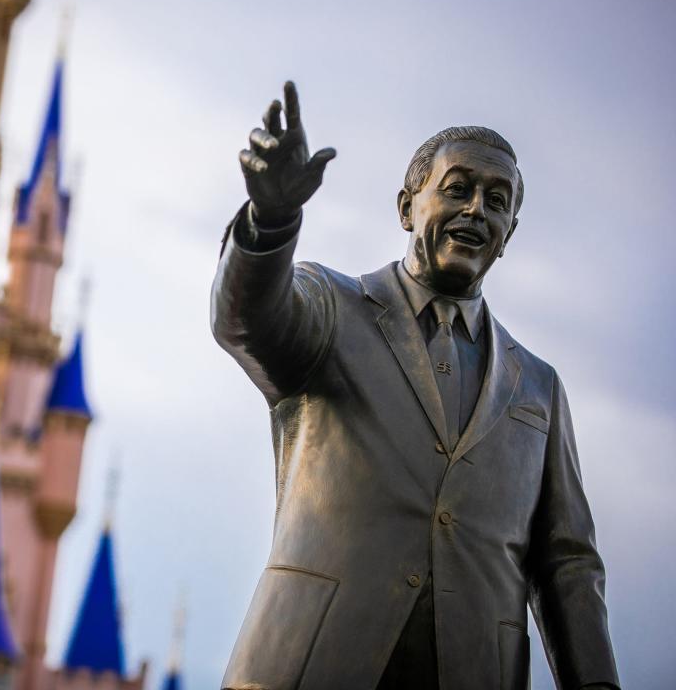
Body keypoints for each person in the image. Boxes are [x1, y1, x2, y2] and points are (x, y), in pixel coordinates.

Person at [211, 81, 619, 690]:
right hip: (310, 664)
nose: (478, 209)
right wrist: (271, 220)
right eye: (458, 190)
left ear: (510, 231)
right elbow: (245, 320)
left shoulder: (539, 385)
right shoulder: (330, 307)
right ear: (407, 207)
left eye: (498, 201)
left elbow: (567, 563)